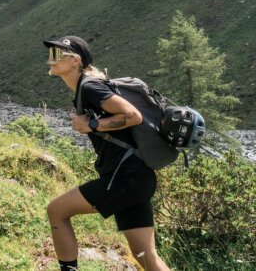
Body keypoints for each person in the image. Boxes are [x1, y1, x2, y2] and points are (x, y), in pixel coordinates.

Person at [44, 35, 171, 271]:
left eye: (57, 54)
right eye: (51, 54)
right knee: (145, 256)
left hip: (126, 178)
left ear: (75, 61)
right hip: (136, 177)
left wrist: (92, 125)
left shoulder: (90, 86)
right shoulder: (86, 87)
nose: (50, 59)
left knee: (57, 211)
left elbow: (134, 116)